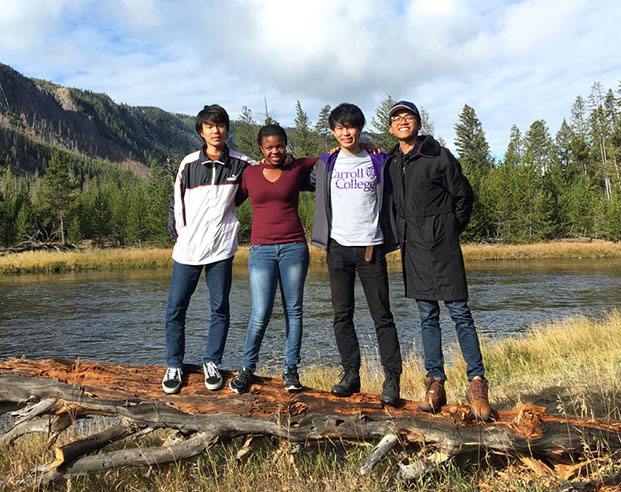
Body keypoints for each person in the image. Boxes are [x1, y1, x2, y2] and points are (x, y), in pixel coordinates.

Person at [385, 100, 492, 421]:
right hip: (413, 249)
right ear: (391, 128)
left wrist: (447, 229)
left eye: (408, 117)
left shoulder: (438, 155)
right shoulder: (390, 161)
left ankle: (477, 383)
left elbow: (464, 197)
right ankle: (436, 383)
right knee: (427, 315)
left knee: (460, 313)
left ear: (418, 123)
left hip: (443, 246)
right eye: (396, 119)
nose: (403, 122)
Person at [309, 103, 402, 406]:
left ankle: (392, 378)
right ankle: (351, 374)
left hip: (370, 248)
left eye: (350, 126)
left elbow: (402, 163)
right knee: (341, 316)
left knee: (382, 316)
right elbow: (291, 168)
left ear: (359, 128)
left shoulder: (378, 160)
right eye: (339, 127)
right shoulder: (327, 163)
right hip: (337, 249)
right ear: (333, 131)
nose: (345, 132)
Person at [161, 104, 255, 395]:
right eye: (209, 126)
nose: (216, 131)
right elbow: (176, 204)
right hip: (188, 250)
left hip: (221, 249)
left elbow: (271, 170)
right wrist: (183, 235)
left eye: (221, 125)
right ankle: (174, 364)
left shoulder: (242, 164)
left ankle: (211, 362)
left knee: (220, 309)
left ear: (227, 128)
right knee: (176, 309)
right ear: (201, 131)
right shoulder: (188, 164)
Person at [229, 124, 317, 394]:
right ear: (261, 149)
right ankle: (247, 369)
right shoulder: (250, 174)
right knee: (260, 313)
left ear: (286, 145)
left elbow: (326, 158)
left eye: (280, 145)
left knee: (294, 311)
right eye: (270, 147)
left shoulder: (296, 168)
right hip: (261, 250)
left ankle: (291, 370)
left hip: (294, 247)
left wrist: (366, 148)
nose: (276, 151)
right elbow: (228, 201)